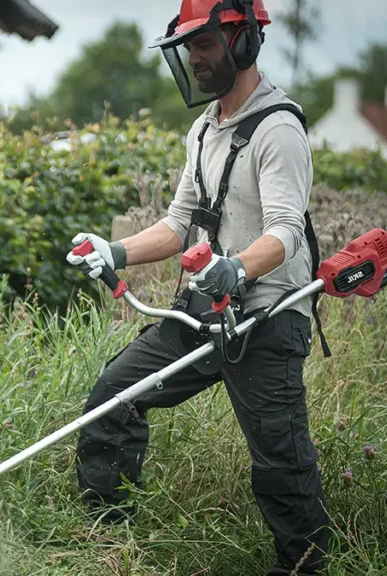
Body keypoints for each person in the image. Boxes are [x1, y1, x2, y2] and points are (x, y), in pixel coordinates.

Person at [65, 1, 330, 574]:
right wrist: (114, 251)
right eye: (188, 45)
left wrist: (238, 267)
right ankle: (107, 539)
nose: (194, 56)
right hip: (205, 310)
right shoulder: (205, 128)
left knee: (281, 462)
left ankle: (303, 565)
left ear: (243, 41)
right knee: (115, 396)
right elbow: (179, 222)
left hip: (268, 316)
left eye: (205, 43)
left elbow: (286, 228)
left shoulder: (279, 129)